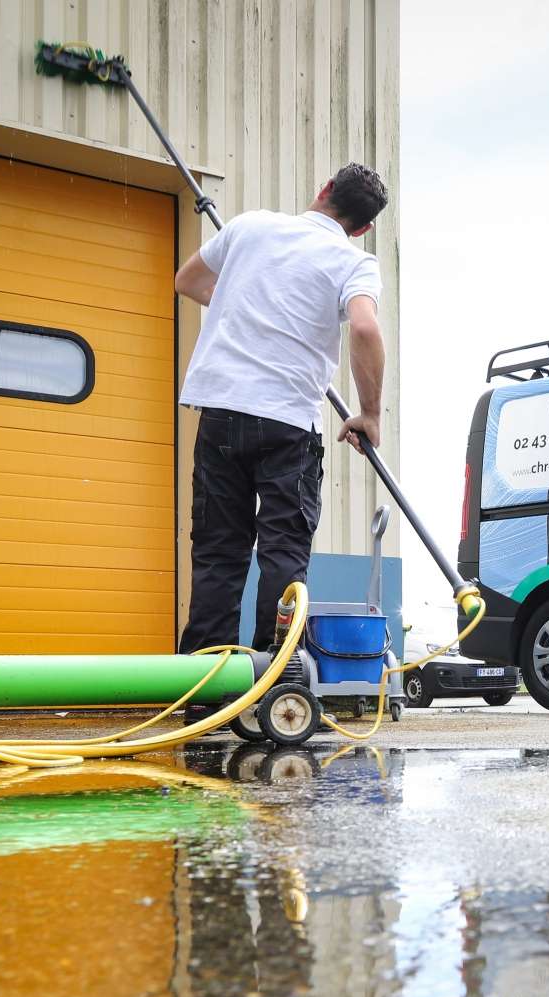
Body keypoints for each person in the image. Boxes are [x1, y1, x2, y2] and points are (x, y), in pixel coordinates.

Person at [172, 162, 389, 677]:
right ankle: (272, 678)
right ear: (362, 228)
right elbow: (364, 327)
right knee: (283, 555)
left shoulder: (249, 227)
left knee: (219, 553)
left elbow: (188, 281)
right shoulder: (353, 261)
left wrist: (241, 302)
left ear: (324, 190)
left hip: (221, 411)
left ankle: (201, 681)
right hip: (288, 422)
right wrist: (370, 414)